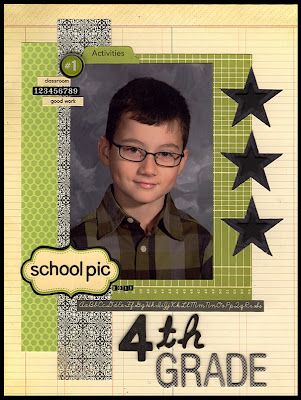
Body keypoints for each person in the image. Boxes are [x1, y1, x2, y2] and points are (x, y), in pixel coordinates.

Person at [70, 77, 213, 280]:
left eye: (165, 154)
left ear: (181, 162)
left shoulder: (204, 245)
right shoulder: (73, 245)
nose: (148, 169)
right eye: (133, 149)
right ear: (105, 151)